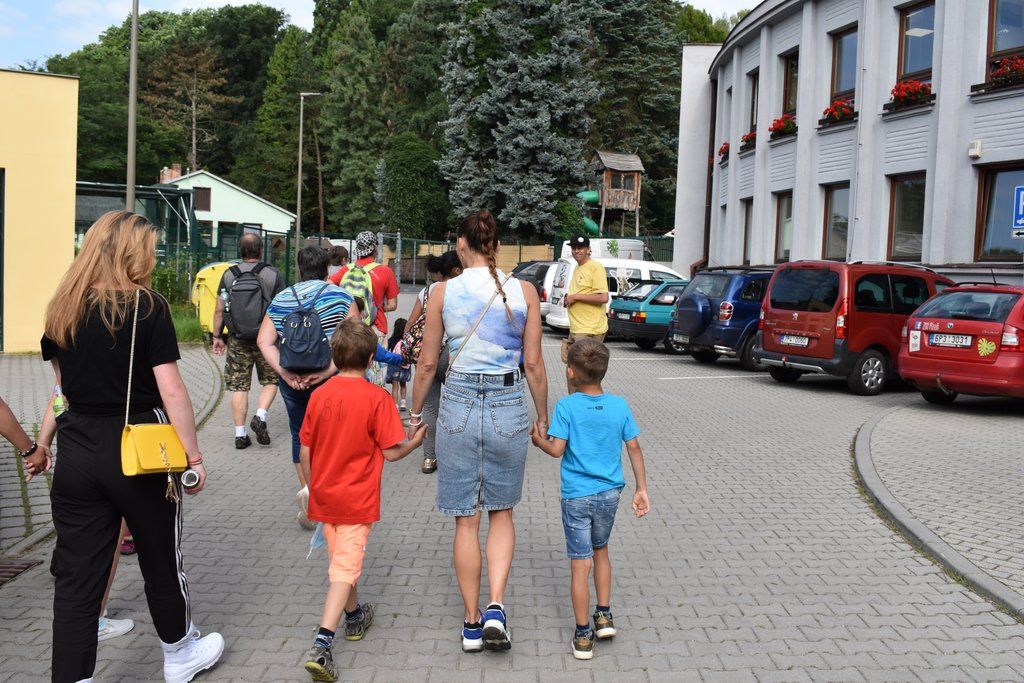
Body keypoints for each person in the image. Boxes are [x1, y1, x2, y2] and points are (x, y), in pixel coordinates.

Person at [40, 210, 223, 683]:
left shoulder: (62, 305)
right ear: (131, 252)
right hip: (139, 449)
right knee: (160, 554)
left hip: (77, 450)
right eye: (150, 248)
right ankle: (180, 652)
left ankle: (72, 676)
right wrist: (194, 458)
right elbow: (174, 391)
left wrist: (43, 441)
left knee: (79, 575)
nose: (153, 255)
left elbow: (60, 393)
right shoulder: (147, 306)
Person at [410, 209, 548, 653]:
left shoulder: (441, 292)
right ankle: (496, 606)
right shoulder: (524, 290)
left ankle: (470, 625)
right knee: (502, 512)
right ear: (496, 245)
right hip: (508, 405)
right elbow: (533, 364)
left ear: (461, 244)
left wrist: (414, 414)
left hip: (458, 407)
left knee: (465, 519)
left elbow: (428, 363)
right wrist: (542, 416)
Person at [298, 319, 427, 682]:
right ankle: (322, 646)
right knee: (343, 571)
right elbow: (391, 452)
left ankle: (355, 618)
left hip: (325, 497)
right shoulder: (377, 398)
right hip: (357, 500)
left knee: (342, 562)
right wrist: (414, 443)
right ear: (372, 358)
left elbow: (305, 448)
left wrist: (312, 486)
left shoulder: (319, 394)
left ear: (334, 356)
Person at [530, 338, 650, 660]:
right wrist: (641, 488)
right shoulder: (619, 405)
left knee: (579, 563)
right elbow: (634, 447)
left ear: (570, 372)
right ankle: (604, 616)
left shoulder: (566, 407)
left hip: (576, 497)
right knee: (601, 551)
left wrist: (538, 440)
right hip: (610, 493)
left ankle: (583, 636)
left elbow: (556, 450)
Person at [257, 246, 355, 529]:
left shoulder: (283, 298)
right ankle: (334, 496)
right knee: (335, 435)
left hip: (293, 379)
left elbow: (264, 341)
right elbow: (356, 340)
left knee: (301, 435)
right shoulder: (340, 296)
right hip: (331, 378)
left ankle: (309, 493)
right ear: (328, 268)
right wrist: (328, 370)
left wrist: (285, 374)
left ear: (299, 268)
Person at [211, 233, 285, 450]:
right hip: (267, 339)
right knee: (272, 380)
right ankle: (260, 416)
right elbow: (280, 309)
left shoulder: (228, 275)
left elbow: (219, 309)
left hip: (237, 338)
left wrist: (217, 336)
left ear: (240, 251)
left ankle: (240, 434)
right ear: (261, 250)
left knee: (239, 386)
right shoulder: (272, 274)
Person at [407, 250, 462, 474]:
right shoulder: (461, 290)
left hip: (427, 356)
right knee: (459, 405)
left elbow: (410, 325)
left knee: (430, 407)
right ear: (457, 270)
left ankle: (429, 459)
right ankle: (456, 457)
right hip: (452, 356)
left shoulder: (427, 292)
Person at [329, 231, 399, 385]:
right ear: (375, 248)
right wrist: (373, 306)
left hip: (350, 327)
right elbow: (393, 305)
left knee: (352, 372)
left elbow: (328, 285)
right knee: (376, 376)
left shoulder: (346, 270)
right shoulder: (385, 272)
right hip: (376, 327)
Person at [562, 235, 609, 394]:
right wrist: (569, 298)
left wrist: (575, 297)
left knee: (578, 374)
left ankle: (579, 408)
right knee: (577, 372)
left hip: (589, 329)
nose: (576, 251)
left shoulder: (595, 267)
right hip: (578, 328)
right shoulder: (578, 267)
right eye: (574, 248)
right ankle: (582, 406)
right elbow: (583, 292)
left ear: (588, 249)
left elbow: (603, 297)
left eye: (580, 248)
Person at [385, 318, 411, 411]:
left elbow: (387, 352)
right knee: (403, 384)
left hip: (395, 365)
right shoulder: (407, 340)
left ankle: (395, 405)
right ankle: (403, 402)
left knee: (395, 386)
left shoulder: (391, 340)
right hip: (405, 365)